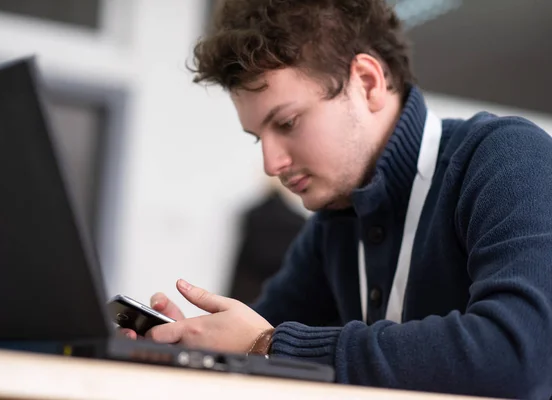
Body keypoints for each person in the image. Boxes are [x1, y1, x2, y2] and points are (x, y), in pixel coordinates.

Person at [121, 0, 552, 397]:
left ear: (367, 82)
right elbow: (251, 336)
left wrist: (269, 345)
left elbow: (520, 353)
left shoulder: (507, 157)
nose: (271, 163)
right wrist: (193, 348)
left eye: (287, 123)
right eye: (258, 138)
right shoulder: (337, 217)